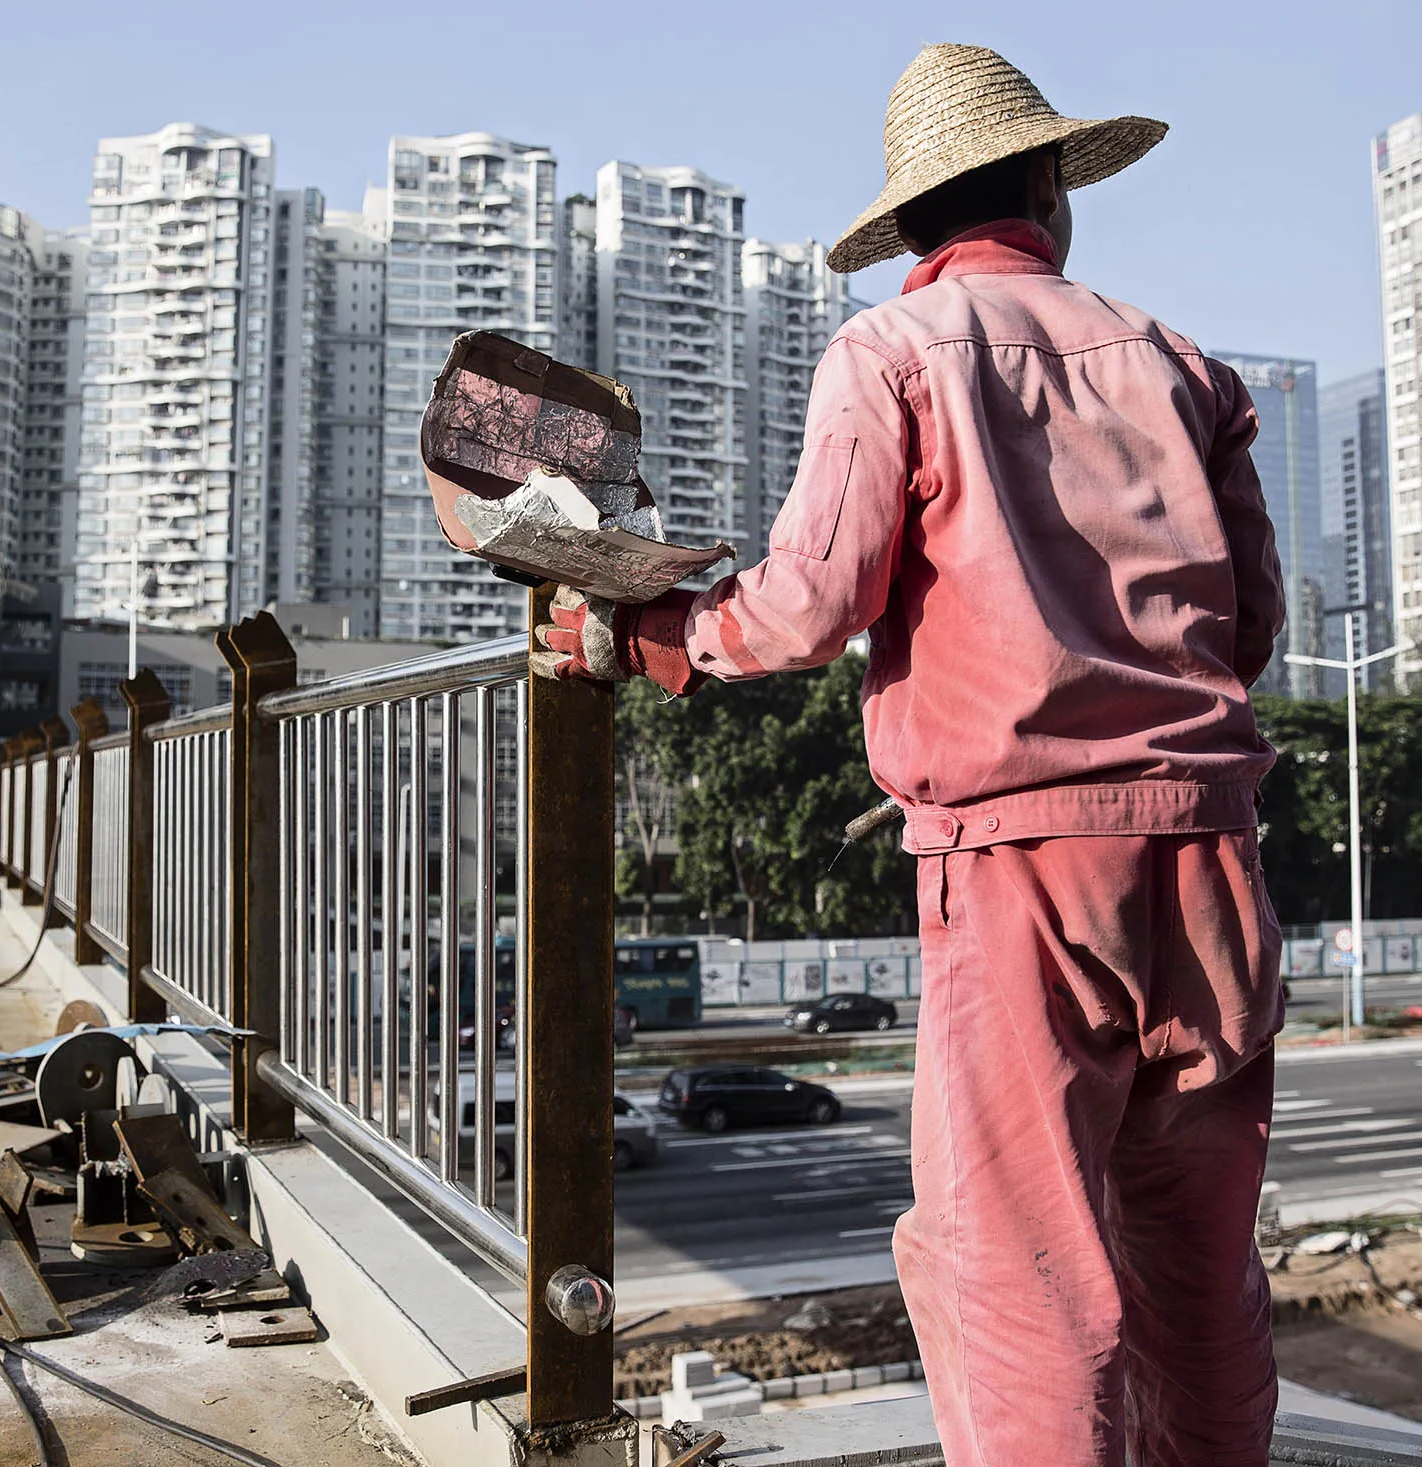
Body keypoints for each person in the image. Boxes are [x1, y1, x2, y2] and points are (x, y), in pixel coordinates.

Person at [536, 43, 1285, 1467]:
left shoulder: (892, 353)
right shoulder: (1189, 367)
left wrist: (659, 633)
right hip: (1212, 860)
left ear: (916, 225)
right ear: (1054, 191)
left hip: (1015, 872)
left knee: (1020, 1275)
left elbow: (809, 608)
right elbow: (1250, 628)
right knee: (1199, 1261)